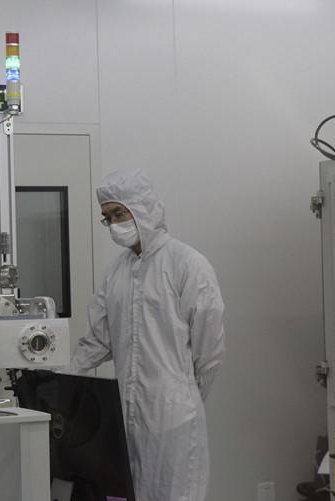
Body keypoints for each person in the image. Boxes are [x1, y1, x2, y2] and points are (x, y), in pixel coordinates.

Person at [68, 168, 225, 501]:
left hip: (174, 419)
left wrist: (183, 400)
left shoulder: (187, 264)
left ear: (143, 208)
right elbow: (97, 340)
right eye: (108, 218)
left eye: (119, 213)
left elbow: (209, 352)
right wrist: (58, 381)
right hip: (127, 417)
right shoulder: (116, 271)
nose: (114, 224)